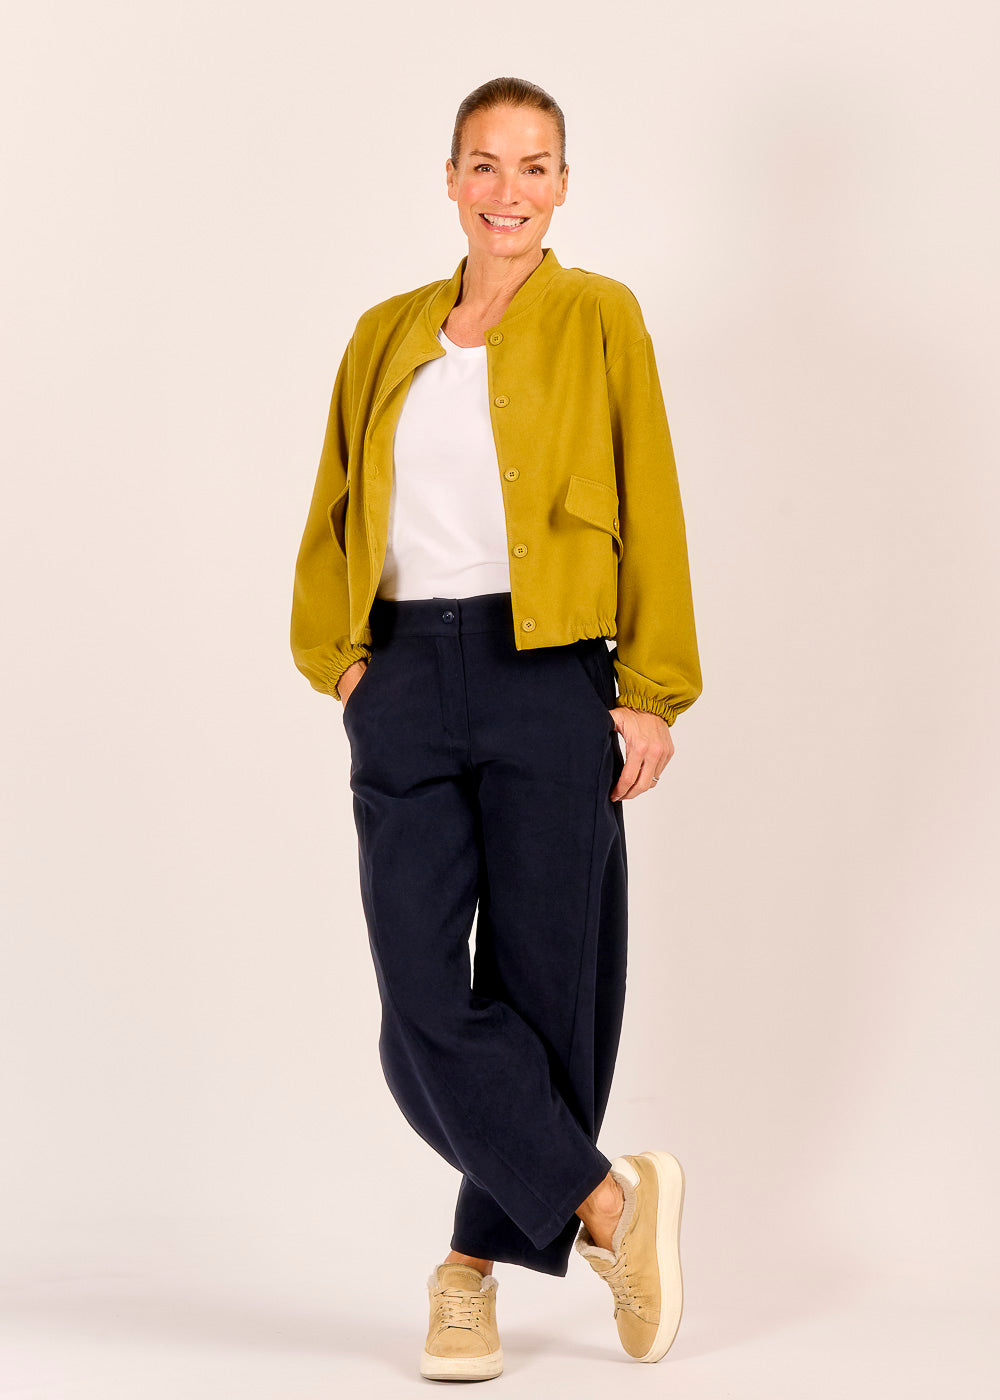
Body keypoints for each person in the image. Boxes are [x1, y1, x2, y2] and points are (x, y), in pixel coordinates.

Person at [290, 76, 702, 1381]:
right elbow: (338, 501)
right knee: (420, 1008)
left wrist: (652, 689)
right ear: (451, 178)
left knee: (544, 990)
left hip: (549, 673)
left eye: (533, 167)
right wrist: (345, 665)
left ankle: (467, 1276)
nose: (507, 191)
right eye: (485, 164)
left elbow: (651, 494)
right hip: (406, 676)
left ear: (563, 185)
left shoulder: (599, 315)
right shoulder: (385, 333)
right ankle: (610, 1208)